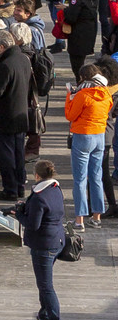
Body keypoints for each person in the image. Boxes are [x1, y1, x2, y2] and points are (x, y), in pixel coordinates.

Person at [0, 27, 35, 199]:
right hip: (20, 114)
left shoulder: (6, 64)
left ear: (1, 47)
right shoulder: (23, 59)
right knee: (18, 154)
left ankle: (10, 190)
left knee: (6, 156)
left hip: (5, 117)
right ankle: (19, 187)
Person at [19, 159, 67, 320]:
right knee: (44, 281)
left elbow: (33, 225)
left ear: (37, 176)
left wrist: (18, 215)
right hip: (58, 241)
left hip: (44, 246)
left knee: (46, 286)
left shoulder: (39, 196)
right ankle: (44, 314)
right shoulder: (55, 189)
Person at [67, 63, 113, 224]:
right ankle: (96, 217)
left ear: (83, 78)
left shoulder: (82, 95)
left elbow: (70, 115)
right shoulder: (106, 94)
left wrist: (70, 96)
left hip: (83, 135)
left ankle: (79, 219)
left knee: (80, 179)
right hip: (100, 136)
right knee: (96, 176)